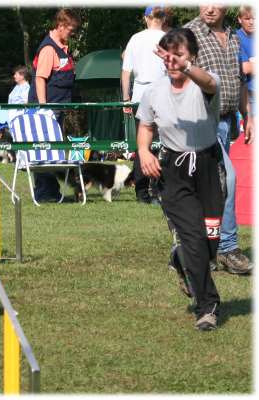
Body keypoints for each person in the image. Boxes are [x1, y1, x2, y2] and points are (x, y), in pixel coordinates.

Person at [137, 28, 223, 331]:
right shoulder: (154, 92)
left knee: (211, 241)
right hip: (174, 170)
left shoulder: (204, 84)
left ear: (193, 56)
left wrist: (186, 67)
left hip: (208, 165)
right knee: (194, 238)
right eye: (168, 56)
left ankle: (180, 259)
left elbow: (209, 82)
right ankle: (206, 307)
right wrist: (144, 151)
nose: (172, 61)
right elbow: (146, 124)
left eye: (180, 55)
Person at [184, 5, 254, 275]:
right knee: (228, 179)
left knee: (208, 186)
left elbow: (238, 78)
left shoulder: (234, 36)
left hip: (227, 121)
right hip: (201, 121)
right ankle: (227, 247)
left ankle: (198, 249)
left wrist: (247, 114)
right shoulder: (189, 32)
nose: (210, 8)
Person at [27, 8, 81, 203]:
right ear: (60, 26)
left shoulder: (62, 46)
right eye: (70, 29)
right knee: (45, 150)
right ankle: (45, 193)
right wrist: (44, 109)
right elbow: (40, 79)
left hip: (57, 106)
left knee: (53, 150)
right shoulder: (49, 49)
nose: (72, 32)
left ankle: (51, 192)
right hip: (46, 109)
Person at [121, 6, 167, 205]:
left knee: (143, 144)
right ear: (163, 18)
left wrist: (126, 99)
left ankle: (141, 192)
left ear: (146, 18)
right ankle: (158, 189)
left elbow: (126, 72)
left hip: (140, 94)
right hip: (163, 93)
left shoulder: (135, 38)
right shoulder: (168, 38)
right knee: (163, 143)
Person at [237, 6, 254, 103]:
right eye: (247, 19)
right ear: (239, 19)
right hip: (249, 96)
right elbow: (245, 68)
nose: (251, 22)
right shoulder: (236, 38)